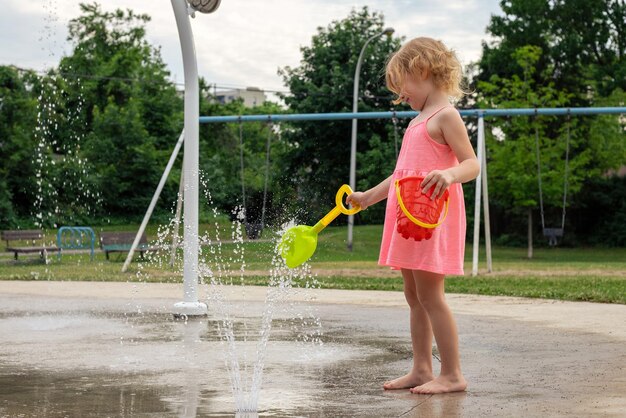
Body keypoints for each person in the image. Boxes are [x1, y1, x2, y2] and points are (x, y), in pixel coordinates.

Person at [346, 37, 479, 394]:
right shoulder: (418, 121)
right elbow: (401, 174)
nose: (400, 95)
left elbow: (471, 164)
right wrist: (367, 198)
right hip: (407, 219)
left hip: (430, 217)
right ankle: (421, 368)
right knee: (413, 294)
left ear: (421, 70)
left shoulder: (445, 116)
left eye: (401, 85)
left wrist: (450, 175)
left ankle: (452, 374)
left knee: (431, 295)